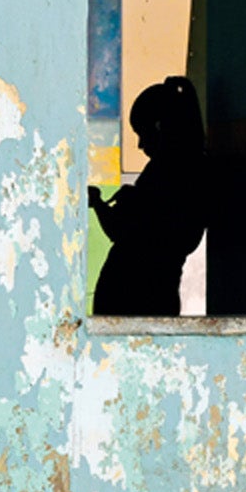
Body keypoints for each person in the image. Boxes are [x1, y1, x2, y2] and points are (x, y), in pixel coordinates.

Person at [90, 75, 207, 316]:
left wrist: (100, 204)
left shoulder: (169, 171)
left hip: (137, 298)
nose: (141, 145)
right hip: (155, 297)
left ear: (160, 126)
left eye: (143, 133)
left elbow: (122, 231)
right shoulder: (189, 169)